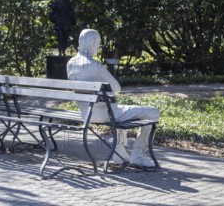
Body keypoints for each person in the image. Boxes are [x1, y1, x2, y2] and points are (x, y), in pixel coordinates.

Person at [67, 29, 160, 167]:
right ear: (93, 43)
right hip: (102, 113)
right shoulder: (94, 65)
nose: (98, 47)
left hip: (85, 113)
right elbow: (116, 88)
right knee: (153, 112)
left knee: (120, 111)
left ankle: (119, 151)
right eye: (98, 43)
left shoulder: (71, 62)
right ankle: (138, 155)